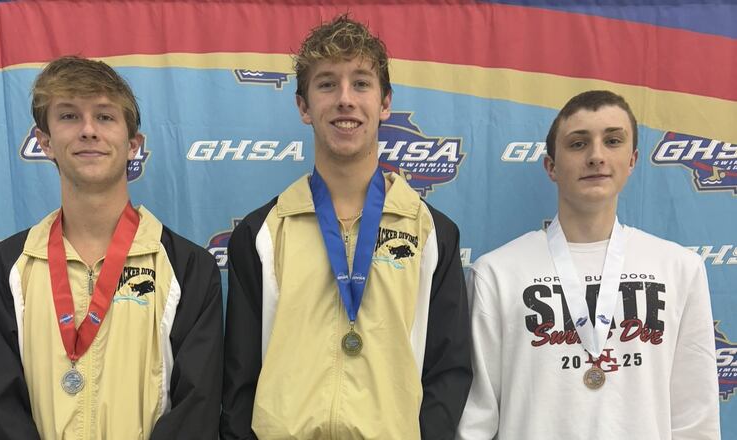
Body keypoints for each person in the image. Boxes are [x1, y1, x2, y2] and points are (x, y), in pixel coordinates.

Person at [221, 15, 472, 440]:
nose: (344, 99)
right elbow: (239, 380)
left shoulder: (433, 232)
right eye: (326, 84)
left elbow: (448, 372)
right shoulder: (262, 233)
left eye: (360, 83)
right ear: (303, 107)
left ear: (385, 102)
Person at [0, 56, 223, 439]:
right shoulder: (2, 269)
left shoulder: (189, 268)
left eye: (105, 117)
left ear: (133, 143)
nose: (88, 130)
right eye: (69, 116)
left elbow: (196, 411)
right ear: (45, 141)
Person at [456, 90, 720, 439]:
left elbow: (695, 417)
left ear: (632, 159)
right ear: (551, 166)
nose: (596, 156)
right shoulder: (497, 274)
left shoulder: (680, 269)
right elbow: (477, 419)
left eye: (612, 141)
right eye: (578, 144)